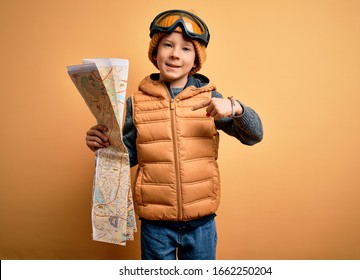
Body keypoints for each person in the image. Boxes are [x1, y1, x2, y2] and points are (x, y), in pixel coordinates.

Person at [85, 9, 263, 260]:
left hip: (202, 224)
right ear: (155, 53)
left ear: (196, 61)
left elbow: (254, 135)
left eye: (186, 49)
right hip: (155, 225)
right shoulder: (135, 103)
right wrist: (103, 145)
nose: (175, 54)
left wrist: (236, 108)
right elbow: (128, 156)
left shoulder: (212, 100)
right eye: (167, 45)